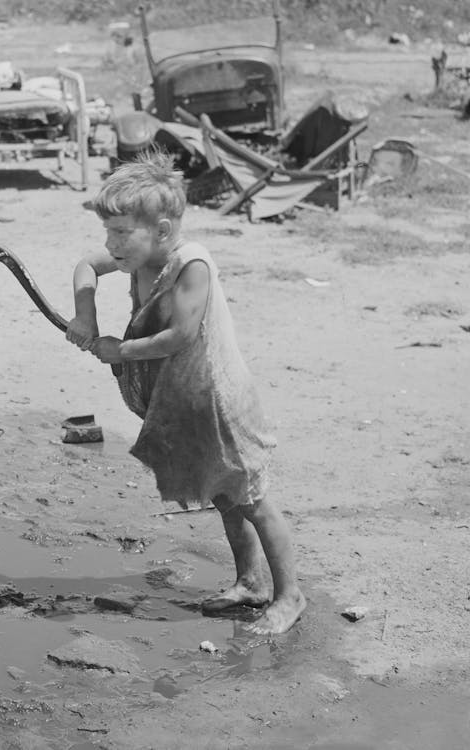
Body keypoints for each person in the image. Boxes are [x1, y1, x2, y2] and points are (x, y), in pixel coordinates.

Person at [65, 152, 306, 635]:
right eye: (107, 232)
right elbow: (86, 265)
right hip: (186, 399)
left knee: (253, 500)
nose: (110, 244)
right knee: (224, 495)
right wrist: (85, 315)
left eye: (120, 233)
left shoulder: (190, 265)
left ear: (161, 229)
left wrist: (121, 350)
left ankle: (289, 595)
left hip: (220, 402)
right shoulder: (133, 256)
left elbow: (181, 335)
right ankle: (251, 582)